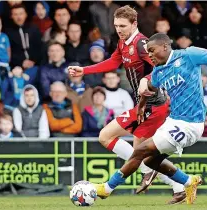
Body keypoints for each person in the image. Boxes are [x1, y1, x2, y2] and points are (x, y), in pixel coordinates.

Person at [92, 33, 207, 204]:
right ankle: (189, 182)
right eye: (148, 52)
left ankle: (107, 188)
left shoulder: (189, 55)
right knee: (149, 160)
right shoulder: (159, 71)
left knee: (140, 151)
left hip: (191, 124)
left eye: (152, 50)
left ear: (165, 46)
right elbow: (148, 88)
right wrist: (143, 104)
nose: (150, 55)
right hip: (173, 121)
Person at [68, 5, 186, 204]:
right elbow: (114, 63)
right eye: (116, 26)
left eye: (123, 26)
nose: (119, 30)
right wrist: (84, 71)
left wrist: (147, 79)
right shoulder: (124, 43)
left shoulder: (142, 44)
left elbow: (161, 66)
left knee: (117, 142)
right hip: (144, 105)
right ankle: (179, 184)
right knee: (139, 155)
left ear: (135, 24)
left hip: (154, 105)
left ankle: (115, 185)